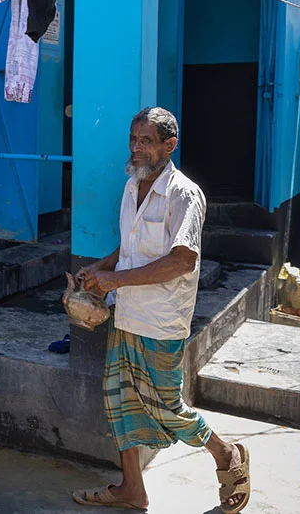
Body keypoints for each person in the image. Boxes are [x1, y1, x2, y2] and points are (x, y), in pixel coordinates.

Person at [66, 107, 250, 513]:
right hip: (126, 314)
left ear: (170, 145)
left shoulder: (185, 194)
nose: (136, 148)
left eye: (145, 141)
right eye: (133, 139)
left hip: (161, 321)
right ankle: (133, 490)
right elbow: (131, 247)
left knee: (169, 405)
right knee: (119, 402)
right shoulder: (132, 187)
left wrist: (114, 281)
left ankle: (226, 455)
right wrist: (102, 267)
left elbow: (183, 260)